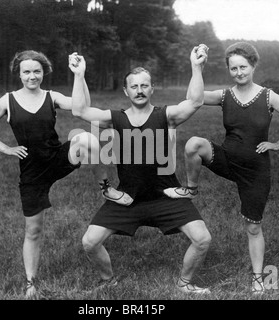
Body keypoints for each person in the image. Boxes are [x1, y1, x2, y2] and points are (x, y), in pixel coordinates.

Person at [0, 50, 131, 298]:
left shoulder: (51, 96)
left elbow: (82, 107)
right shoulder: (7, 101)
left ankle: (106, 187)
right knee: (33, 230)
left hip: (56, 158)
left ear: (43, 72)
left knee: (87, 138)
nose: (32, 76)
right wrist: (6, 149)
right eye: (27, 71)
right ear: (19, 73)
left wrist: (79, 75)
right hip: (32, 172)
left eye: (37, 71)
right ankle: (30, 283)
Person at [163, 42, 279, 293]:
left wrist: (278, 143)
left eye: (243, 67)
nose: (238, 72)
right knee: (194, 144)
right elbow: (193, 98)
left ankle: (258, 278)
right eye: (233, 68)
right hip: (227, 160)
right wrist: (197, 67)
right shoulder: (224, 96)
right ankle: (191, 189)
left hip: (255, 171)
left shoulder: (268, 96)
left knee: (253, 226)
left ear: (253, 66)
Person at [69, 45, 213, 294]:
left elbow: (196, 101)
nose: (139, 90)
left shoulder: (165, 116)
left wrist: (196, 66)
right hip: (128, 197)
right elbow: (79, 110)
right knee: (90, 242)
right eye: (134, 86)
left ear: (152, 89)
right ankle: (108, 280)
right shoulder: (115, 118)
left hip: (166, 195)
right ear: (126, 91)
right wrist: (79, 75)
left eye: (144, 85)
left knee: (202, 239)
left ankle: (185, 283)